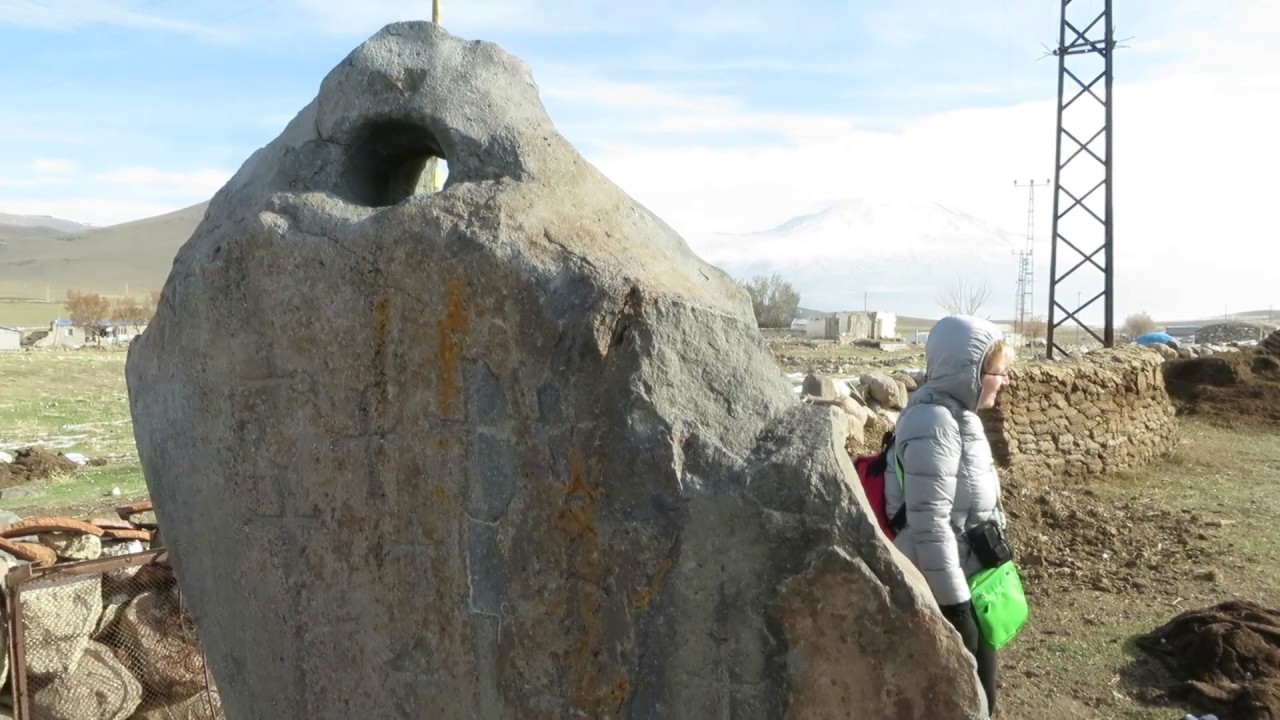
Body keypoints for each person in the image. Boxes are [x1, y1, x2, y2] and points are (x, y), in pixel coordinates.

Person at [884, 315, 1015, 715]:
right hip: (946, 590)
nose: (1005, 382)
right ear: (970, 372)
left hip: (969, 581)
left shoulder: (959, 416)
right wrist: (957, 610)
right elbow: (930, 524)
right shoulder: (934, 422)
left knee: (981, 699)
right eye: (998, 372)